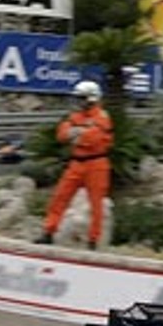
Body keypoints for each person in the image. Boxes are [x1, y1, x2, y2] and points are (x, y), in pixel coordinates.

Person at [37, 79, 114, 247]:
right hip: (77, 163)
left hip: (97, 164)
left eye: (81, 98)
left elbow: (92, 139)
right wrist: (80, 133)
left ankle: (93, 240)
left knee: (96, 204)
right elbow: (62, 135)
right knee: (60, 197)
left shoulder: (102, 117)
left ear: (91, 99)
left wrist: (76, 134)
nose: (77, 102)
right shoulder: (75, 116)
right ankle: (48, 231)